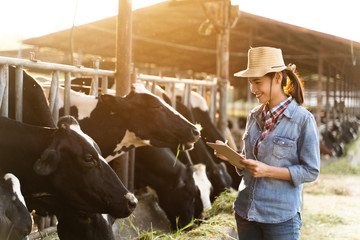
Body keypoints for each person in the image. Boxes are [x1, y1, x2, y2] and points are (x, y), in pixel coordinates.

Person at [215, 46, 320, 240]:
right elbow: (250, 163)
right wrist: (232, 157)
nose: (253, 89)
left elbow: (311, 171)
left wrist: (267, 170)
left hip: (280, 218)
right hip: (246, 212)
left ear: (278, 78)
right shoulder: (253, 116)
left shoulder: (302, 119)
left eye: (258, 82)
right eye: (250, 83)